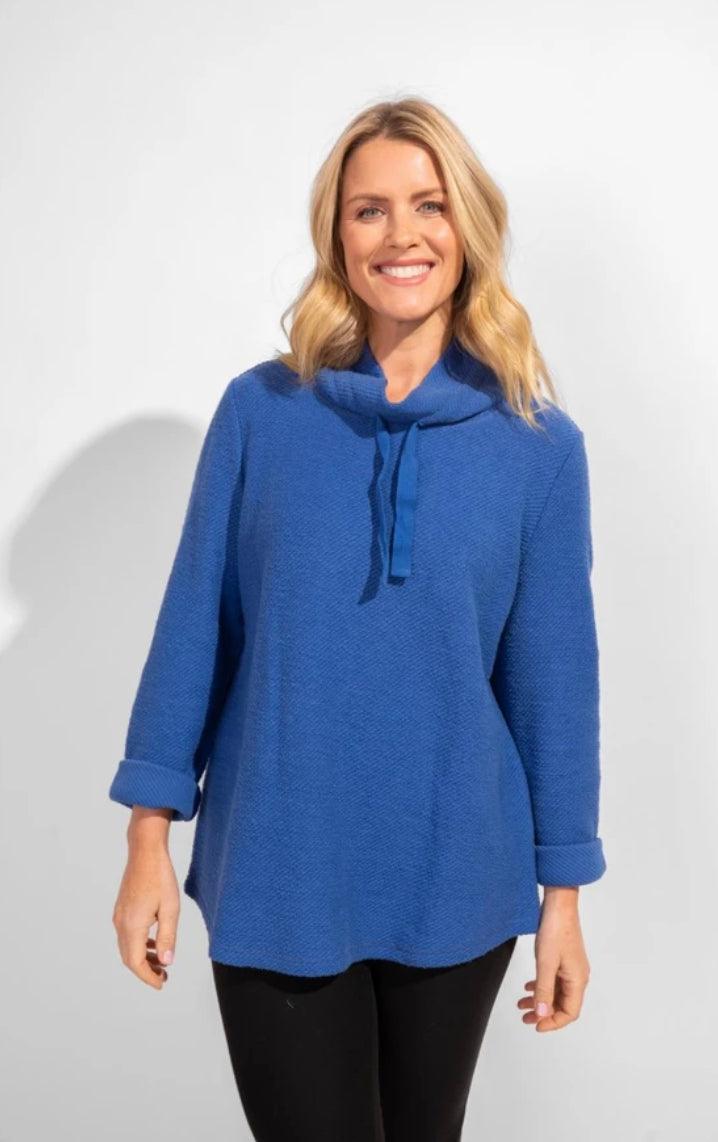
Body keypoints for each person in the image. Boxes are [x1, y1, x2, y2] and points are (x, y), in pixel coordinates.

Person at [109, 96, 606, 1141]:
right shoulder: (262, 412)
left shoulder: (537, 447)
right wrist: (148, 837)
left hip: (457, 869)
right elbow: (195, 626)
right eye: (368, 209)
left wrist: (562, 894)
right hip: (278, 857)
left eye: (429, 205)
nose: (400, 235)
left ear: (468, 226)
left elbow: (553, 685)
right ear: (336, 235)